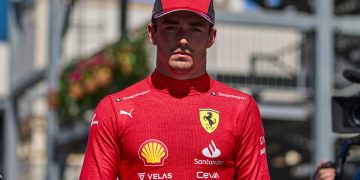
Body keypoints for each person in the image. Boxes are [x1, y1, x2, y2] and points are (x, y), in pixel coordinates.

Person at [79, 0, 270, 179]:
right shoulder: (114, 110)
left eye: (194, 29)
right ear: (152, 33)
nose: (183, 39)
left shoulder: (241, 109)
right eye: (171, 27)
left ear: (211, 37)